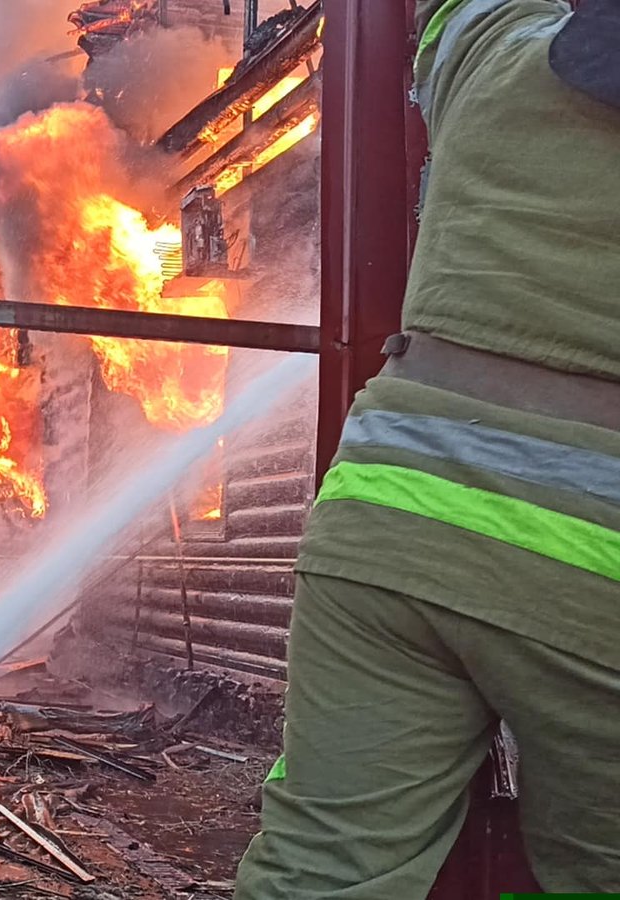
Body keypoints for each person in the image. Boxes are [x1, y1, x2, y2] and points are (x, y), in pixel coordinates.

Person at [235, 1, 620, 896]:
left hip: (387, 538)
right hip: (598, 585)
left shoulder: (496, 56)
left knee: (321, 869)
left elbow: (450, 15)